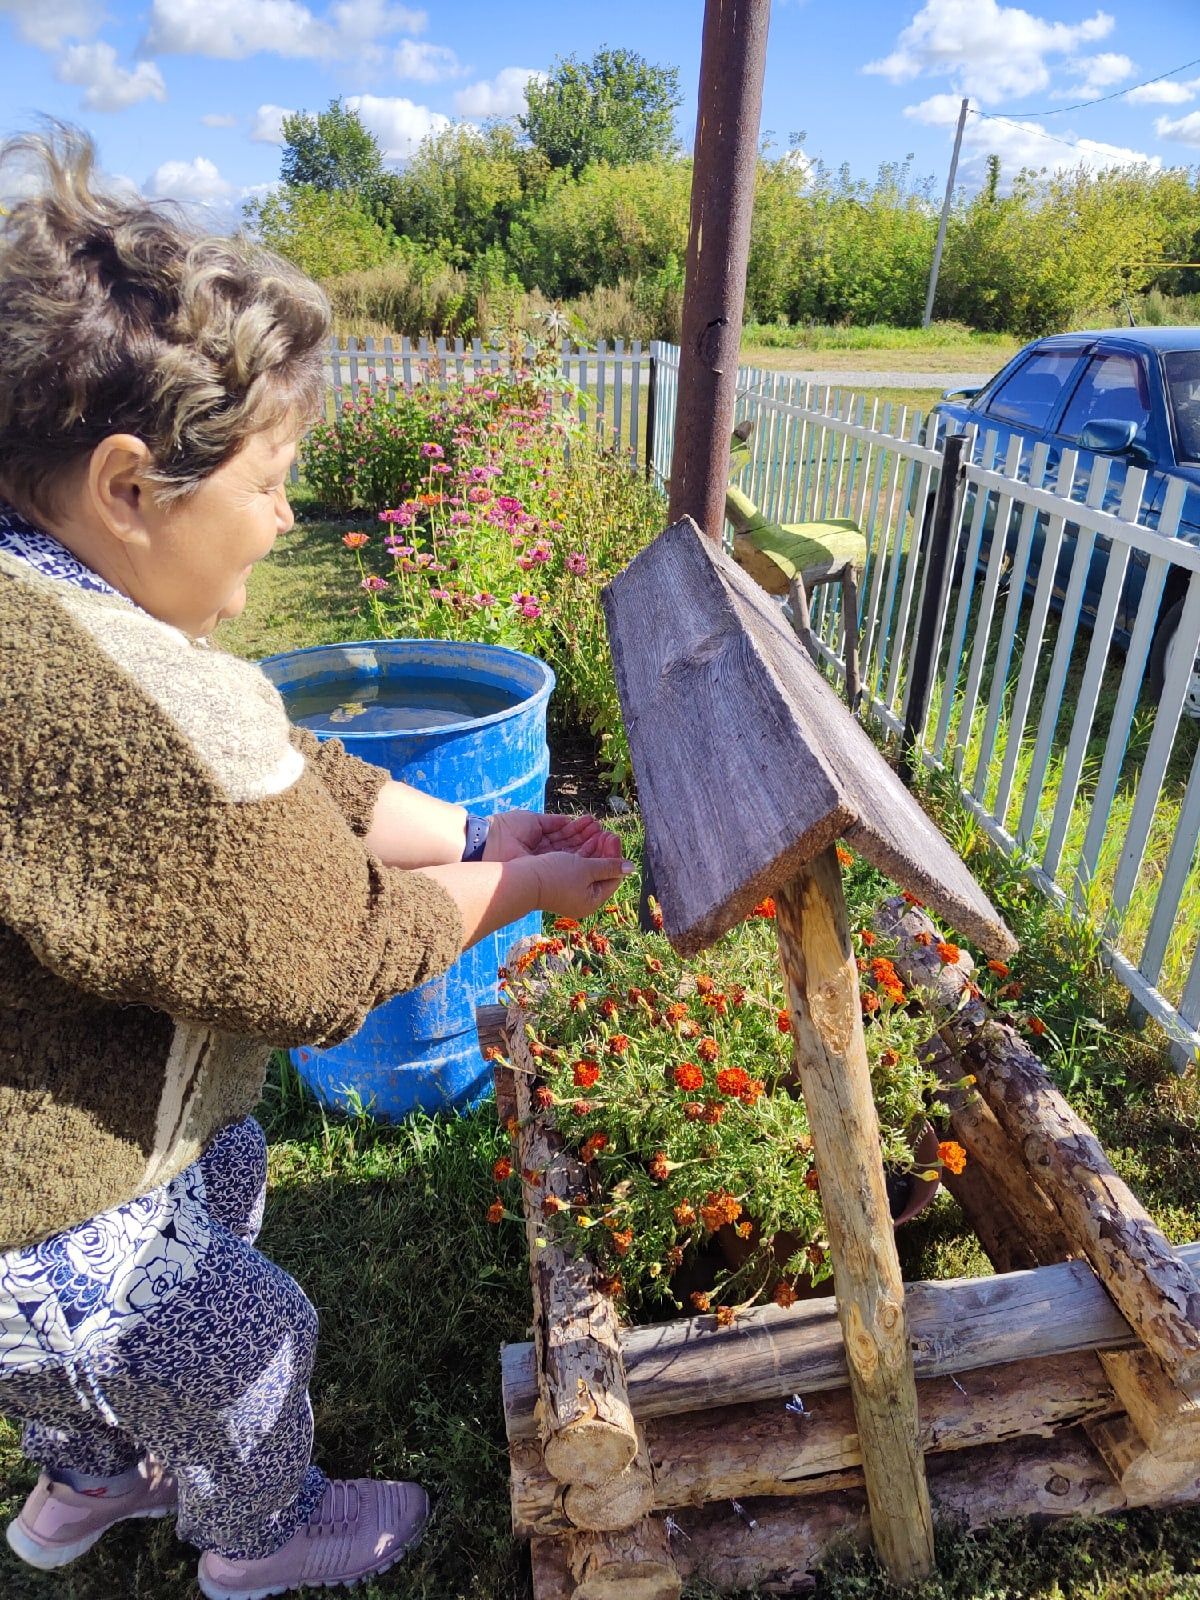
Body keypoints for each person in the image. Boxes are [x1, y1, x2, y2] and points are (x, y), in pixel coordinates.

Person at [0, 127, 628, 1600]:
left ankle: (81, 1488)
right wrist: (523, 888)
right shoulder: (138, 718)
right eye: (274, 482)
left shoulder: (43, 608)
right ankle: (258, 1539)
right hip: (40, 1213)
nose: (288, 521)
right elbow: (321, 955)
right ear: (130, 484)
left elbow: (310, 779)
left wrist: (477, 830)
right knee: (249, 1333)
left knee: (224, 1159)